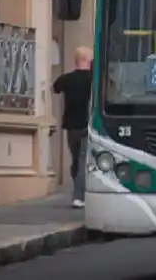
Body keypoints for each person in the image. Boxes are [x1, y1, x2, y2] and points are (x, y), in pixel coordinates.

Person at [53, 46, 93, 208]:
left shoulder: (67, 79)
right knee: (83, 161)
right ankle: (79, 195)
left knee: (76, 159)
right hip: (87, 124)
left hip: (71, 126)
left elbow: (55, 88)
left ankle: (78, 190)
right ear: (89, 61)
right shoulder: (94, 79)